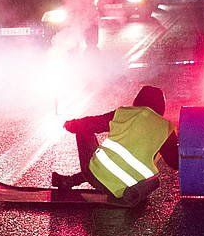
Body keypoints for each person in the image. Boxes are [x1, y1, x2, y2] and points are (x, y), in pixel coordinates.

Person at [50, 85, 179, 206]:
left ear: (137, 101)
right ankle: (70, 181)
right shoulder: (165, 127)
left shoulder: (124, 113)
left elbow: (92, 123)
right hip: (128, 187)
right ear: (161, 107)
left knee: (83, 129)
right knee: (153, 178)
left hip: (96, 176)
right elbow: (175, 163)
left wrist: (71, 124)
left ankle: (71, 180)